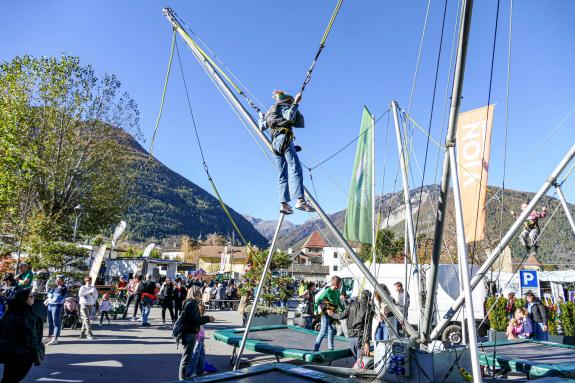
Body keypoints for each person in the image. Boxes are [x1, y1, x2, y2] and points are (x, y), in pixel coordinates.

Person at [258, 90, 314, 214]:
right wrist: (296, 103)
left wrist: (261, 117)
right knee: (296, 168)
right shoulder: (283, 106)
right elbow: (289, 116)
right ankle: (300, 200)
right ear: (286, 100)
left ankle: (283, 204)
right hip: (284, 139)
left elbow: (262, 127)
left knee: (282, 174)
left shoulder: (269, 113)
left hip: (276, 146)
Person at [0, 289, 44, 383]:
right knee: (12, 378)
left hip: (11, 353)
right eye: (31, 296)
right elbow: (29, 336)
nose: (33, 298)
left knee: (8, 378)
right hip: (22, 354)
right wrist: (35, 349)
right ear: (24, 299)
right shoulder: (25, 314)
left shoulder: (12, 311)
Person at [179, 286, 215, 380]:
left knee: (191, 356)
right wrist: (208, 318)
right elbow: (196, 320)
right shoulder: (192, 303)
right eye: (199, 292)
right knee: (187, 357)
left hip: (190, 332)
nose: (200, 294)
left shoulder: (189, 302)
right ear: (195, 293)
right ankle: (184, 377)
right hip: (190, 333)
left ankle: (193, 372)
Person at [328, 290, 374, 363]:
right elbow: (368, 327)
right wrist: (367, 343)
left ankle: (354, 373)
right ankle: (355, 373)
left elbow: (341, 316)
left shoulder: (351, 305)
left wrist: (332, 314)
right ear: (369, 298)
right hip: (360, 337)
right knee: (359, 362)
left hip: (351, 336)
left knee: (357, 360)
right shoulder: (369, 308)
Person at [313, 276, 344, 351]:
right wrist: (315, 309)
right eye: (340, 284)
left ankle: (331, 349)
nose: (341, 285)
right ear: (336, 284)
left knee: (331, 331)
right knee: (323, 331)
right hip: (326, 313)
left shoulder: (337, 291)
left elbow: (339, 302)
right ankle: (315, 350)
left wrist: (344, 310)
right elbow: (318, 299)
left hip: (333, 314)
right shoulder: (327, 291)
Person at [45, 275, 67, 345]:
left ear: (62, 281)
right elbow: (48, 294)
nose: (57, 281)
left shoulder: (64, 288)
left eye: (59, 280)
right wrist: (51, 296)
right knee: (50, 322)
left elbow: (57, 298)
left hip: (57, 306)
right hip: (50, 305)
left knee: (56, 322)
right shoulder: (55, 288)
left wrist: (51, 297)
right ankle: (49, 336)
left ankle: (55, 338)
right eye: (56, 280)